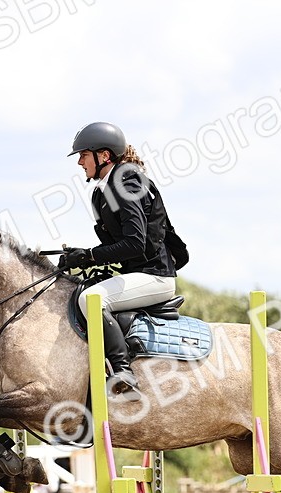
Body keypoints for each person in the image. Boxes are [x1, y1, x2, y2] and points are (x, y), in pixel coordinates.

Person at [58, 122, 187, 395]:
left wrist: (89, 256)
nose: (80, 162)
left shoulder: (127, 184)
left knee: (90, 300)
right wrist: (78, 257)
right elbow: (116, 246)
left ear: (103, 156)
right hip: (136, 274)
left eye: (83, 155)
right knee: (81, 290)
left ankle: (123, 373)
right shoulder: (101, 193)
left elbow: (134, 243)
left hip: (155, 276)